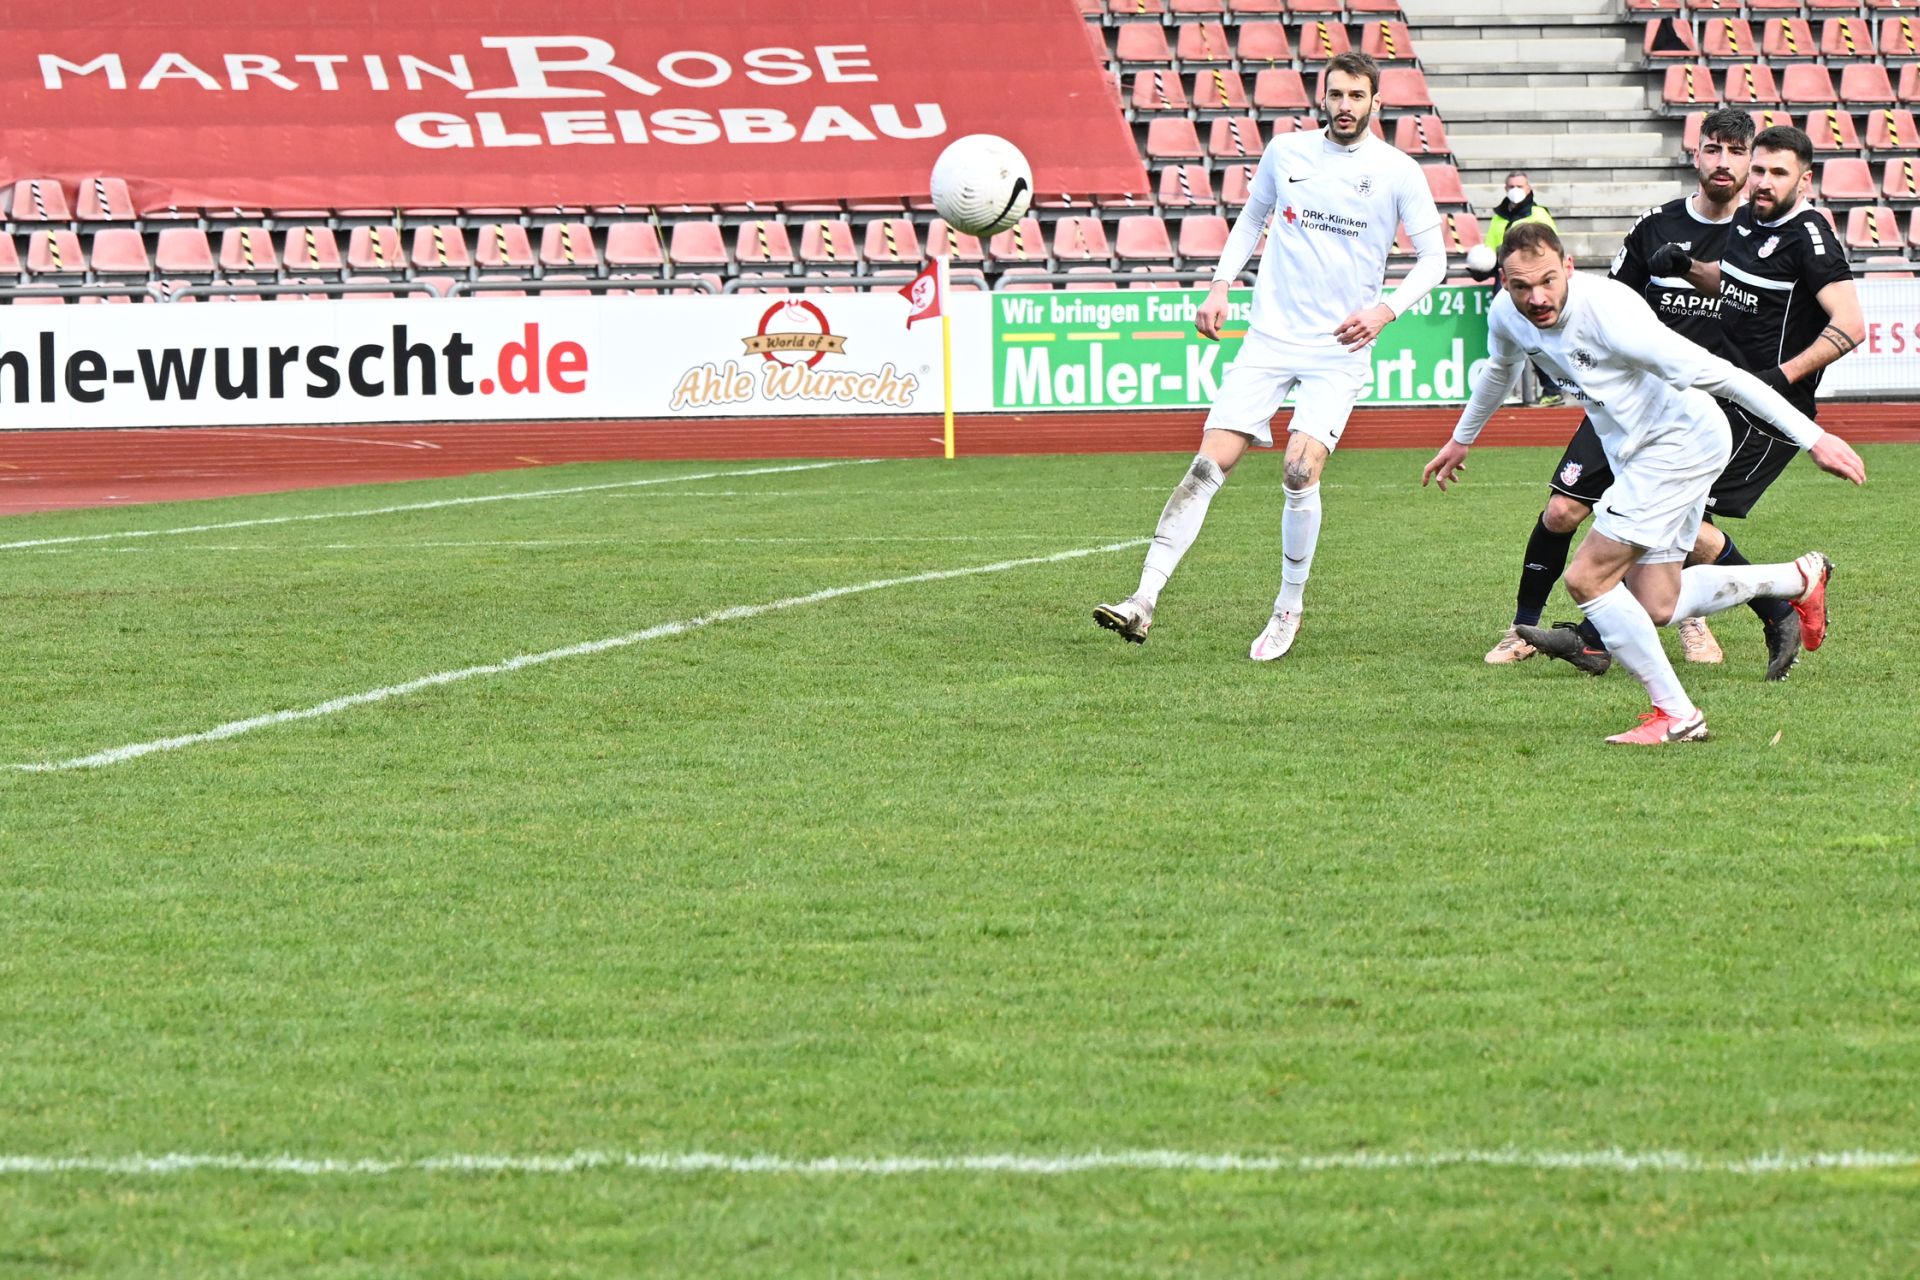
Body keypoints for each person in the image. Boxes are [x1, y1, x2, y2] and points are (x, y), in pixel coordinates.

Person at [1423, 222, 1866, 744]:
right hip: (1640, 452)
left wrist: (1814, 438)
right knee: (1656, 603)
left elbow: (1725, 375)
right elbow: (1499, 370)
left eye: (1547, 280)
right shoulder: (1506, 314)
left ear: (1568, 267)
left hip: (1680, 445)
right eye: (1521, 287)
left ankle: (1677, 715)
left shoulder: (1612, 314)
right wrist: (1461, 438)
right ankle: (1797, 579)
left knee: (1588, 579)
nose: (1536, 298)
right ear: (1504, 282)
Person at [1093, 51, 1446, 659]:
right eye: (1335, 94)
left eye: (1356, 96)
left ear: (1375, 103)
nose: (1343, 106)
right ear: (1322, 97)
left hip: (1338, 349)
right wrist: (1221, 283)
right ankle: (1142, 601)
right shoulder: (1287, 152)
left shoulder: (1398, 171)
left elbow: (1435, 259)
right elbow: (1252, 218)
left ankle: (1288, 607)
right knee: (1206, 467)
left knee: (1298, 471)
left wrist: (1386, 310)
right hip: (1269, 339)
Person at [1516, 125, 1864, 681]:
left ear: (1805, 177)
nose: (1761, 178)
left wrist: (1781, 378)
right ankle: (1788, 594)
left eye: (1775, 170)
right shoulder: (1748, 223)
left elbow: (1852, 325)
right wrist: (1686, 269)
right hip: (1690, 399)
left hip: (1757, 412)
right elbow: (1733, 286)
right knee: (1667, 541)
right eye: (1762, 170)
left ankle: (1596, 637)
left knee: (1667, 529)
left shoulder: (1810, 236)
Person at [1484, 108, 1753, 667]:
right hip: (1622, 397)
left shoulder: (1761, 239)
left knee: (1692, 531)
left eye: (1735, 151)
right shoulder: (1656, 225)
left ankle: (1693, 620)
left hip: (1702, 406)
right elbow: (1594, 302)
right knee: (1561, 512)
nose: (1722, 161)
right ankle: (1524, 628)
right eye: (1713, 149)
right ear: (1696, 154)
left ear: (1750, 160)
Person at [1485, 172, 1557, 258]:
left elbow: (1552, 244)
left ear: (1528, 189)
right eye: (1511, 187)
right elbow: (1489, 247)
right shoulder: (1497, 218)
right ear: (1506, 189)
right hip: (1501, 266)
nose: (1515, 190)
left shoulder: (1539, 214)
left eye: (1519, 187)